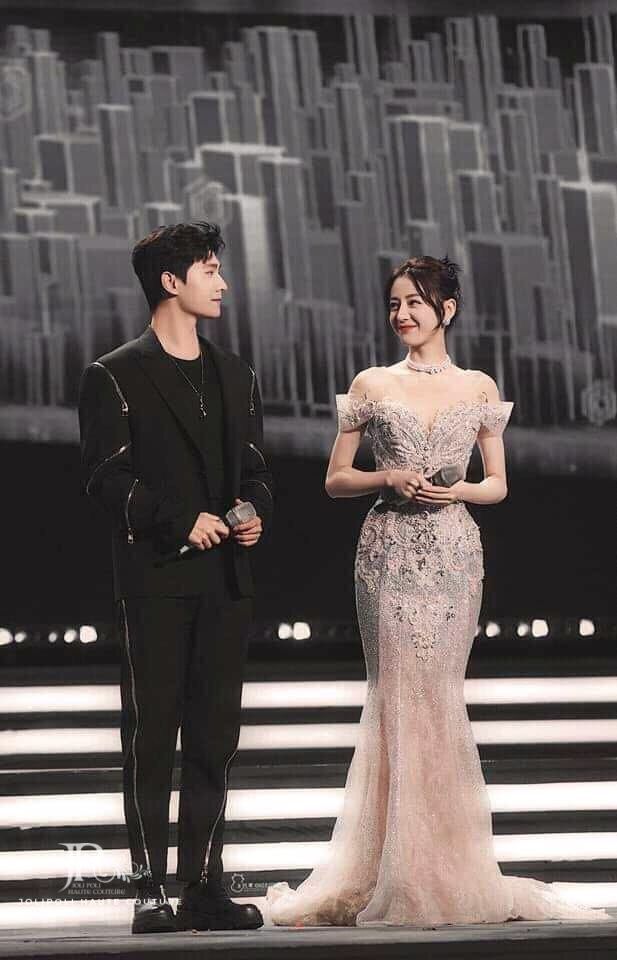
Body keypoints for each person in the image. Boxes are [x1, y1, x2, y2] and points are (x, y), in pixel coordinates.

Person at [265, 255, 611, 926]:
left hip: (453, 553)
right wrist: (385, 478)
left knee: (440, 698)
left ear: (445, 309)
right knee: (396, 698)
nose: (401, 314)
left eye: (414, 302)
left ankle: (443, 868)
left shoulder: (478, 386)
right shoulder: (371, 383)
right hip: (388, 552)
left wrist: (459, 492)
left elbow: (496, 484)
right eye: (394, 303)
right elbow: (335, 479)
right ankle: (389, 869)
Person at [78, 222, 273, 934]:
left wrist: (252, 511)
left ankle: (204, 886)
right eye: (210, 269)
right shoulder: (114, 373)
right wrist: (179, 520)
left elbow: (256, 470)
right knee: (152, 736)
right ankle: (148, 890)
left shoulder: (236, 374)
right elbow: (107, 477)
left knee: (215, 738)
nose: (222, 283)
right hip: (156, 578)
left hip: (226, 581)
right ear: (171, 281)